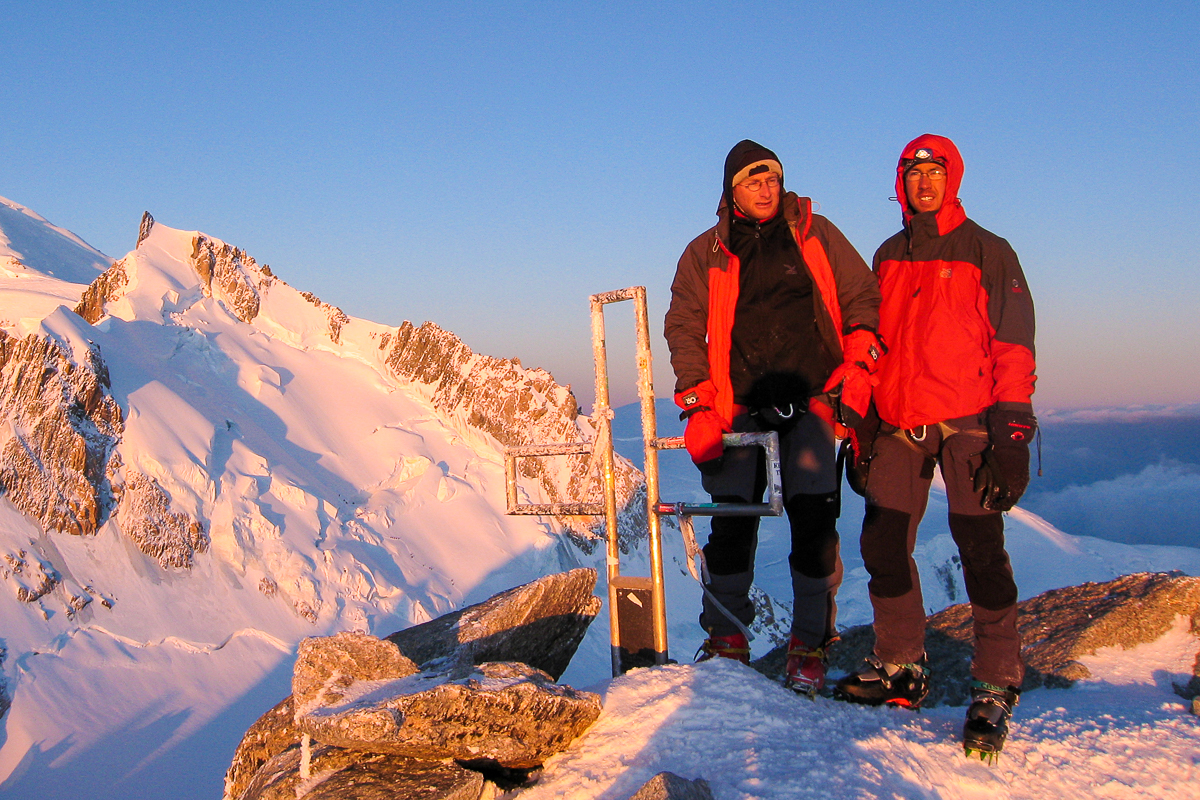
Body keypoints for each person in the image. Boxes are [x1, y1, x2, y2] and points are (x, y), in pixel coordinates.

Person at [834, 134, 1037, 758]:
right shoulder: (888, 255)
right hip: (900, 420)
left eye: (935, 172)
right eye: (914, 173)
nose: (925, 182)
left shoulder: (988, 250)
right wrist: (861, 422)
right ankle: (901, 666)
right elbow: (868, 340)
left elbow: (1013, 343)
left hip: (970, 420)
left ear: (954, 178)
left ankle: (996, 682)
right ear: (901, 182)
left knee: (980, 547)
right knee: (883, 544)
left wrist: (1013, 431)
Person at [664, 140, 882, 695]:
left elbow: (861, 296)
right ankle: (727, 638)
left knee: (814, 521)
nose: (766, 189)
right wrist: (696, 400)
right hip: (738, 406)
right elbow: (684, 325)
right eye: (753, 181)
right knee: (732, 521)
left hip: (811, 399)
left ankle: (809, 644)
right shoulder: (706, 252)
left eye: (773, 179)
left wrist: (858, 366)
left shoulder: (815, 233)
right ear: (731, 190)